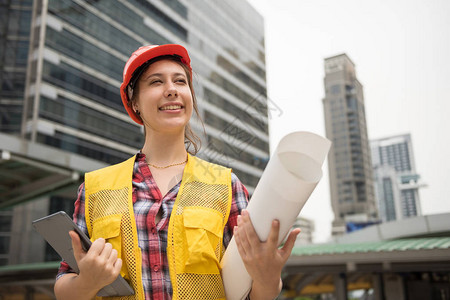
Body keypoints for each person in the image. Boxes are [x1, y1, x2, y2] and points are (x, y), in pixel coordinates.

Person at [54, 44, 300, 300]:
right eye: (156, 82)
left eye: (180, 81)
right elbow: (64, 284)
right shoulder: (95, 189)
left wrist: (268, 277)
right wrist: (87, 282)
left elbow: (249, 292)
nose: (171, 89)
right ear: (134, 101)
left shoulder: (227, 185)